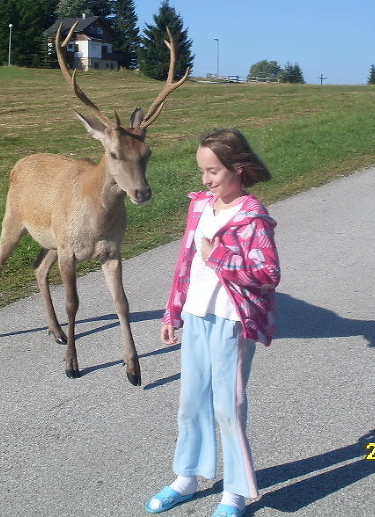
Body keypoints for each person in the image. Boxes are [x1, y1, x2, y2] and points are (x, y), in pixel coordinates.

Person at [146, 129, 281, 517]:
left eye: (213, 171)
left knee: (228, 407)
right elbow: (185, 261)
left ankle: (234, 494)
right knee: (190, 402)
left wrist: (219, 256)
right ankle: (187, 477)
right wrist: (173, 310)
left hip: (232, 322)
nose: (206, 180)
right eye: (203, 171)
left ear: (238, 169)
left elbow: (268, 273)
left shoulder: (252, 216)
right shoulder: (201, 205)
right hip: (196, 314)